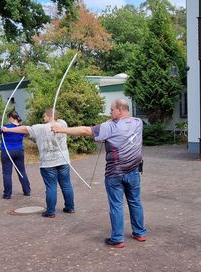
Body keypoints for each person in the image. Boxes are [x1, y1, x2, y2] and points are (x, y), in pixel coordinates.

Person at [53, 99, 147, 249]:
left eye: (112, 109)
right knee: (135, 201)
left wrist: (60, 130)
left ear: (120, 110)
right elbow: (118, 132)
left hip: (115, 174)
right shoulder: (138, 122)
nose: (110, 112)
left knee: (116, 205)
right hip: (134, 170)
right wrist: (112, 119)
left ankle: (117, 239)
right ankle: (140, 233)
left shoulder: (110, 126)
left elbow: (85, 131)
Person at [2, 109, 74, 217]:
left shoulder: (40, 128)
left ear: (49, 117)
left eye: (44, 115)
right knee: (66, 185)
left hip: (48, 163)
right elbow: (57, 119)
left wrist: (7, 129)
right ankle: (70, 207)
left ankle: (50, 212)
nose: (43, 117)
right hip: (63, 161)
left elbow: (24, 129)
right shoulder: (63, 124)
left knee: (51, 187)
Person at [0, 111, 31, 199]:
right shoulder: (22, 128)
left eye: (8, 118)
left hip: (7, 152)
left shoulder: (6, 127)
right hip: (19, 151)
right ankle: (27, 191)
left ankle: (7, 194)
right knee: (21, 171)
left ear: (11, 118)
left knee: (7, 173)